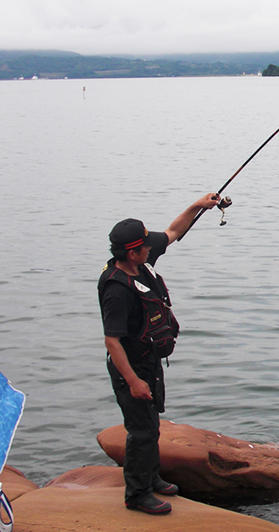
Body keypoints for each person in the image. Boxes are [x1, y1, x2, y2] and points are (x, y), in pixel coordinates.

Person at [98, 193, 220, 515]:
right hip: (131, 367)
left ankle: (151, 477)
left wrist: (198, 205)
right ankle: (137, 495)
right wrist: (134, 381)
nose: (151, 248)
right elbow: (112, 342)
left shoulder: (142, 264)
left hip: (148, 360)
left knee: (152, 424)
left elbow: (174, 231)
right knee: (141, 431)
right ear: (131, 252)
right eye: (144, 247)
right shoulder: (117, 289)